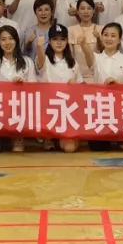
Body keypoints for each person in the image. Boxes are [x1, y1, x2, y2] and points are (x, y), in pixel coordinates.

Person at [0, 26, 34, 152]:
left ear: (16, 40)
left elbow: (34, 87)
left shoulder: (27, 62)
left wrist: (23, 84)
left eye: (11, 38)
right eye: (3, 39)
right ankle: (4, 137)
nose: (7, 43)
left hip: (20, 107)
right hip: (0, 107)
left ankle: (17, 137)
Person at [35, 24, 83, 153]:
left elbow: (81, 86)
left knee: (69, 148)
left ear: (67, 41)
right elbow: (40, 59)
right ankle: (49, 136)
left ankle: (63, 138)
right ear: (49, 42)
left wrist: (76, 85)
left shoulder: (73, 62)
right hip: (50, 108)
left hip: (68, 109)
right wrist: (39, 47)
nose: (59, 42)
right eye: (55, 39)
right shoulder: (45, 59)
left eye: (62, 39)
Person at [68, 0, 102, 81]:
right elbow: (70, 56)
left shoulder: (101, 29)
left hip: (97, 76)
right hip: (78, 78)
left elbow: (103, 52)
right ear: (77, 11)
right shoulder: (71, 30)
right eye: (82, 8)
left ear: (93, 11)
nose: (86, 12)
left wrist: (98, 38)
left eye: (89, 8)